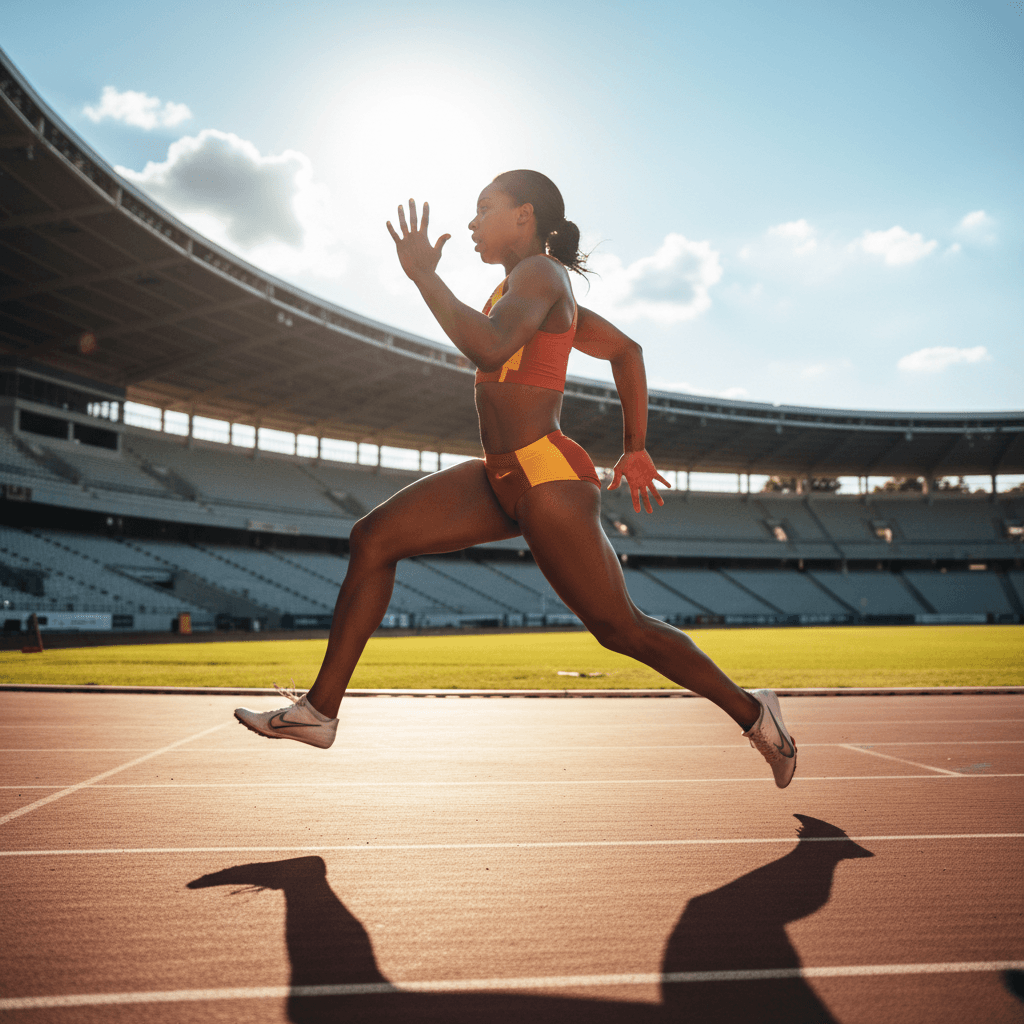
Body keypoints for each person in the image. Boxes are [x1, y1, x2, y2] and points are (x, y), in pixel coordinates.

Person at [235, 170, 797, 787]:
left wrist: (424, 276)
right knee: (373, 538)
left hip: (546, 474)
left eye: (485, 208)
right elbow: (625, 350)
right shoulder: (524, 286)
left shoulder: (541, 273)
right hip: (500, 474)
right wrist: (634, 447)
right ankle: (320, 711)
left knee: (620, 629)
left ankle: (755, 713)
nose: (472, 222)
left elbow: (491, 348)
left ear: (524, 216)